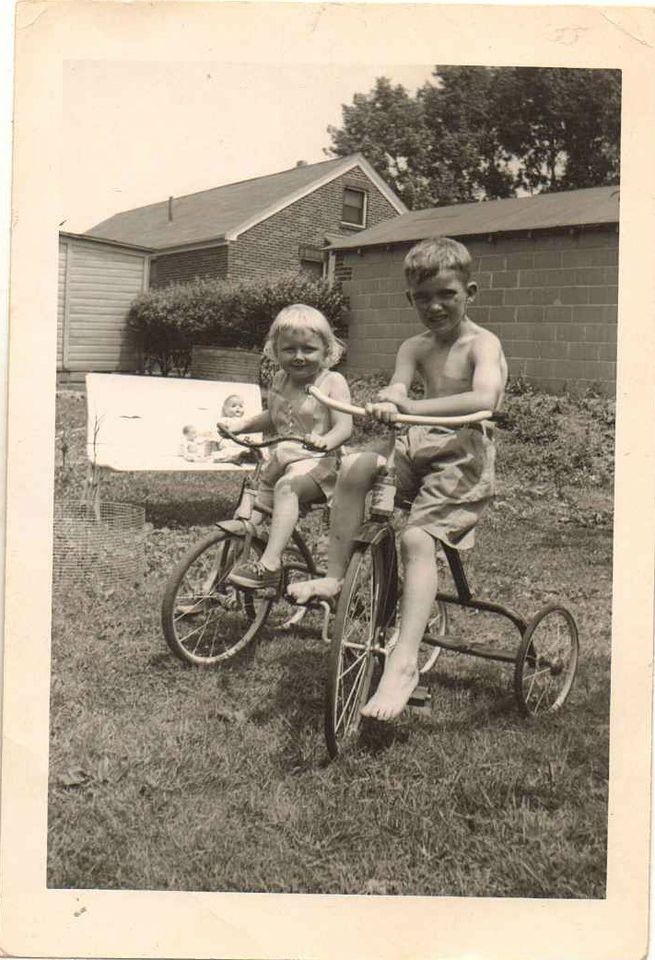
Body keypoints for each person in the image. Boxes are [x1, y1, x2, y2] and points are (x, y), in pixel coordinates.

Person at [289, 237, 508, 720]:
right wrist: (390, 399)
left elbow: (484, 400)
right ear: (410, 299)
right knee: (354, 466)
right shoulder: (415, 346)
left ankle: (404, 664)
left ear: (469, 291)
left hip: (461, 458)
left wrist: (412, 407)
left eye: (446, 294)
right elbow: (398, 385)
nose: (435, 306)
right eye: (423, 297)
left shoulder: (482, 344)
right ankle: (332, 576)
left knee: (415, 539)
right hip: (415, 446)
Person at [219, 303, 353, 591]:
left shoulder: (332, 381)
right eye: (289, 349)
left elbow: (345, 426)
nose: (299, 357)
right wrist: (242, 425)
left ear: (326, 350)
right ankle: (213, 584)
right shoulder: (280, 379)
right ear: (275, 350)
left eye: (308, 349)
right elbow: (274, 415)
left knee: (286, 489)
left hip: (320, 465)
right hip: (281, 462)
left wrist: (325, 440)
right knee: (245, 518)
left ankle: (269, 565)